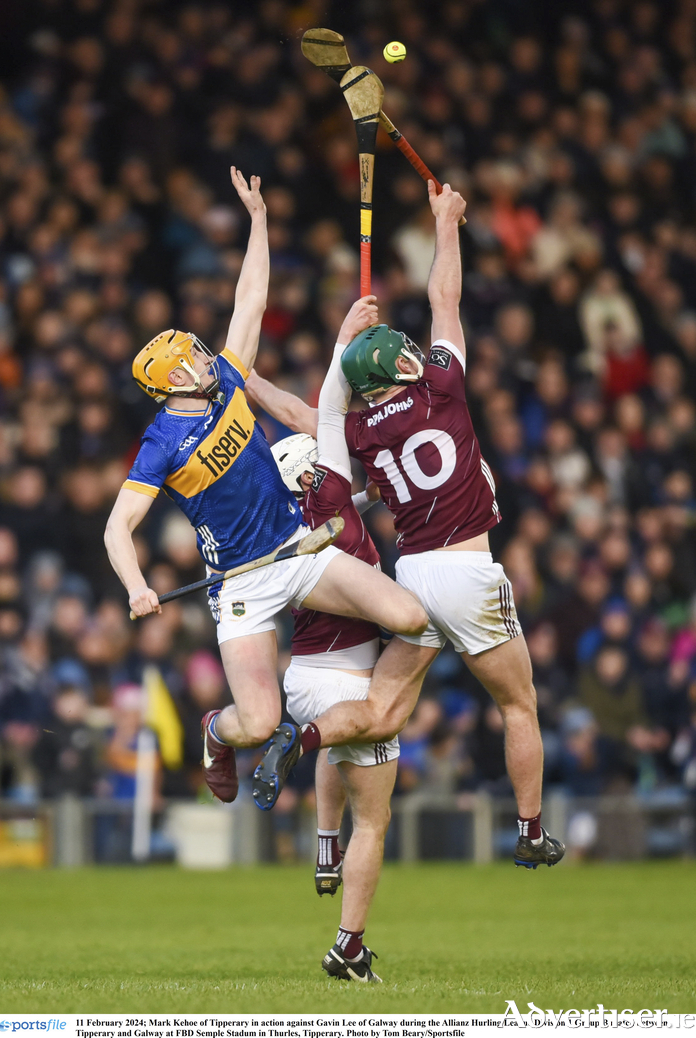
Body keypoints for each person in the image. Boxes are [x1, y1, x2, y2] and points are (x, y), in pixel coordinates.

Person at [251, 180, 565, 871]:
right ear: (399, 364)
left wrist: (244, 378)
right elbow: (444, 298)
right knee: (519, 703)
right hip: (468, 571)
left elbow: (307, 416)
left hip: (413, 578)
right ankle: (530, 830)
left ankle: (302, 737)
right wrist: (446, 221)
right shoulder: (442, 387)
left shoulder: (358, 429)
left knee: (383, 712)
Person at [104, 169, 427, 806]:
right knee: (255, 723)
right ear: (173, 382)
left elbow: (250, 297)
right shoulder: (160, 445)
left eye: (198, 352)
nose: (204, 357)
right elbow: (118, 527)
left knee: (412, 617)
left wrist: (259, 221)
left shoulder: (227, 379)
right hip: (240, 584)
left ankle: (376, 713)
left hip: (296, 548)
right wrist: (136, 586)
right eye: (191, 360)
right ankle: (214, 732)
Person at [246, 310, 397, 981]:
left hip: (302, 678)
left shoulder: (278, 530)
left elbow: (343, 506)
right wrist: (344, 342)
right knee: (378, 820)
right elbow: (327, 407)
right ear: (313, 470)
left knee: (333, 746)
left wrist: (246, 379)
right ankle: (349, 946)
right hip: (351, 680)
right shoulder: (332, 493)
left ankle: (324, 844)